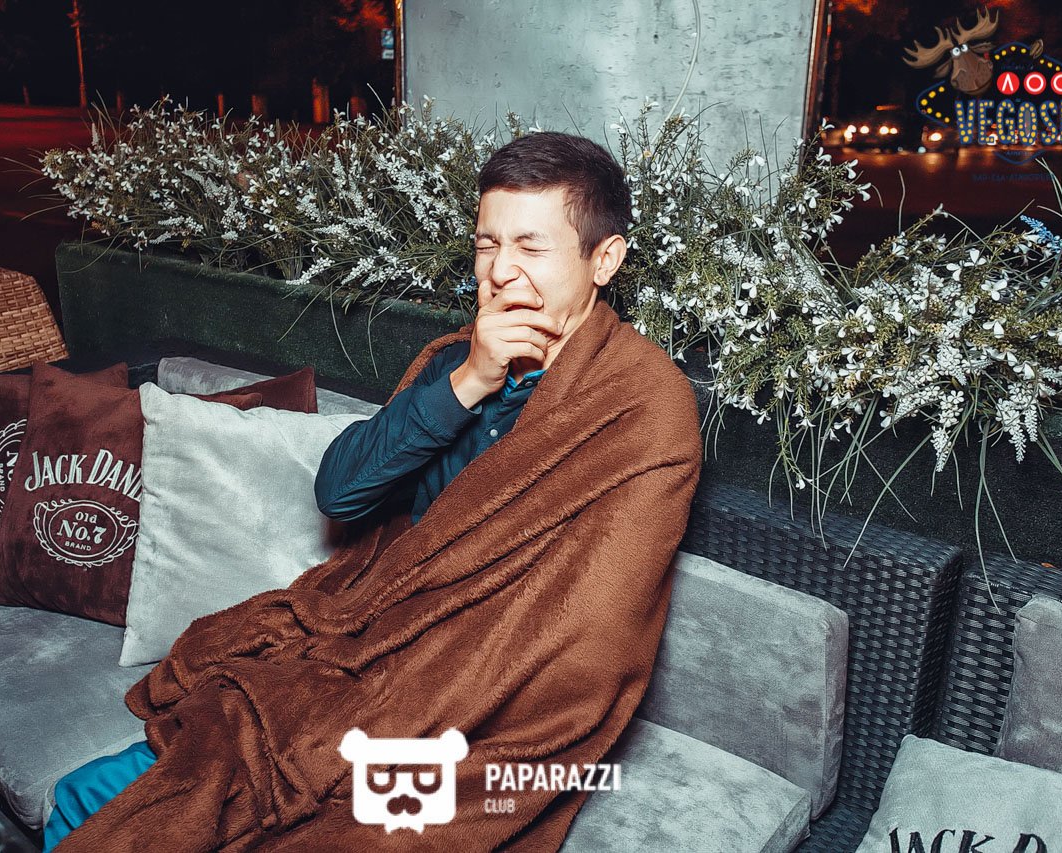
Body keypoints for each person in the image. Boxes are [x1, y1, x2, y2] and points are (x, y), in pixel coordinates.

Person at [41, 129, 631, 850]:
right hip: (361, 651)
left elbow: (589, 631)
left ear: (604, 259)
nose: (501, 271)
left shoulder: (634, 403)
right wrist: (470, 381)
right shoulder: (459, 362)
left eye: (530, 247)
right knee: (90, 801)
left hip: (469, 690)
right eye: (487, 244)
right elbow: (341, 493)